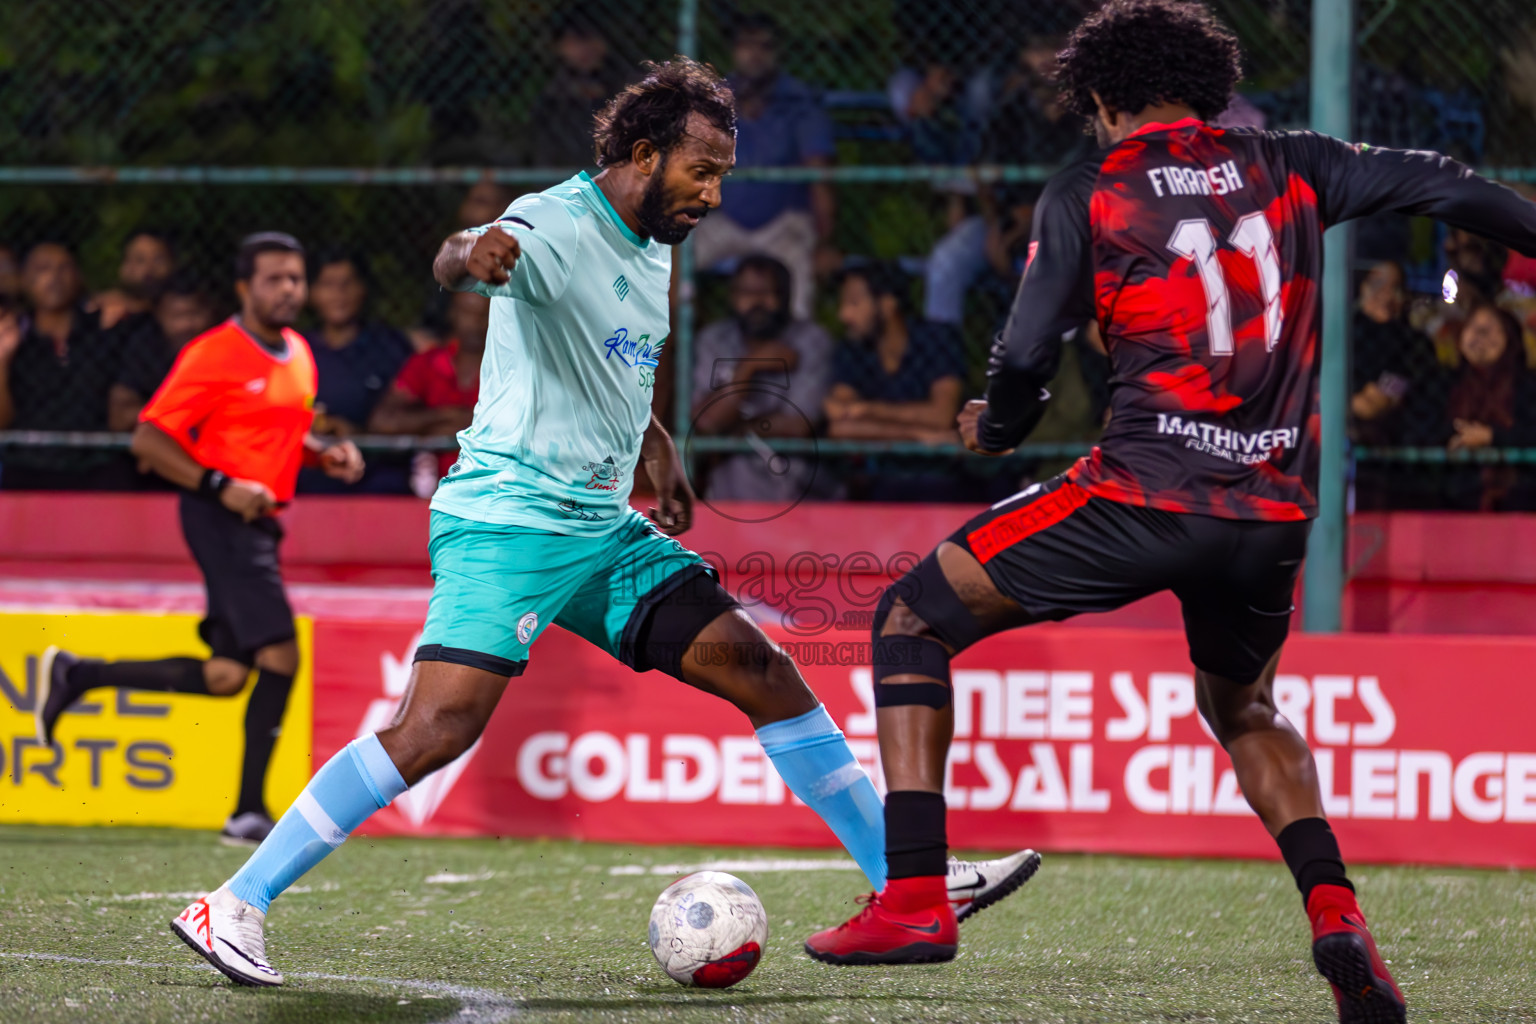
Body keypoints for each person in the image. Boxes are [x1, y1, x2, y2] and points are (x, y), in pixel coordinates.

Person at [174, 59, 1034, 989]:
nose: (714, 193)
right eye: (702, 171)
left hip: (599, 530)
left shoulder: (655, 241)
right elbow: (461, 249)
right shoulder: (557, 221)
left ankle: (908, 881)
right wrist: (473, 255)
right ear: (642, 153)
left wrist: (656, 451)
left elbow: (624, 374)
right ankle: (234, 903)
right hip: (508, 522)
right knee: (435, 727)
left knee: (767, 673)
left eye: (724, 175)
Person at [804, 7, 1536, 1024]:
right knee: (1245, 709)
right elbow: (1450, 185)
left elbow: (1022, 357)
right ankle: (1337, 917)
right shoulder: (1296, 162)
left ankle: (919, 896)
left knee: (910, 618)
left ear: (1101, 98)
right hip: (1276, 511)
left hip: (1144, 493)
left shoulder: (1090, 189)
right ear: (1209, 86)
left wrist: (998, 429)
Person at [34, 232, 366, 846]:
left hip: (258, 522)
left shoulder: (298, 352)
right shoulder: (213, 353)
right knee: (282, 656)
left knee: (225, 675)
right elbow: (148, 440)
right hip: (220, 518)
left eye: (296, 278)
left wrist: (327, 457)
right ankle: (247, 812)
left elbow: (278, 436)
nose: (288, 289)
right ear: (244, 287)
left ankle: (81, 675)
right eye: (274, 278)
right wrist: (219, 486)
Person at [692, 14, 837, 319]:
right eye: (746, 45)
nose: (754, 54)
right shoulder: (716, 98)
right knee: (667, 258)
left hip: (784, 225)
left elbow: (819, 177)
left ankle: (797, 358)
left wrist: (825, 242)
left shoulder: (798, 101)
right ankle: (669, 353)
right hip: (725, 221)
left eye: (764, 47)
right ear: (734, 51)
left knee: (798, 277)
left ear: (776, 54)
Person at [690, 254, 833, 503]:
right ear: (732, 297)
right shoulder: (714, 339)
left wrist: (732, 433)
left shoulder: (810, 339)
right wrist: (748, 368)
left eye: (767, 292)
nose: (757, 302)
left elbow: (798, 425)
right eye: (746, 293)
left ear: (785, 297)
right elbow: (706, 421)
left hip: (797, 482)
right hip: (729, 486)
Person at [0, 241, 132, 490]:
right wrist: (2, 361)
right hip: (28, 465)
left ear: (79, 277)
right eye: (43, 269)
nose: (54, 277)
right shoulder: (13, 334)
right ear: (24, 280)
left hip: (98, 463)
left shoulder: (106, 328)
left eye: (64, 268)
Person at [298, 251, 414, 494]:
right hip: (310, 482)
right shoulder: (296, 350)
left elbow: (411, 414)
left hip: (379, 481)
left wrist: (360, 434)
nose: (339, 294)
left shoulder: (390, 347)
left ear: (363, 289)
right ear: (311, 293)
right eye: (327, 285)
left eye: (347, 283)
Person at [1408, 302, 1536, 510]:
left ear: (1510, 339)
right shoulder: (1441, 383)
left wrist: (1492, 437)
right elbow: (1416, 430)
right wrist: (1455, 438)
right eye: (1473, 327)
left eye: (1492, 328)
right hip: (1449, 496)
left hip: (1520, 497)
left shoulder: (1527, 387)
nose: (1481, 334)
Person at [369, 289, 487, 496]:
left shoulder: (510, 367)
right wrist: (444, 416)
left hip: (494, 494)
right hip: (432, 497)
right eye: (467, 312)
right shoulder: (427, 364)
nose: (476, 322)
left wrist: (447, 430)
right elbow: (382, 422)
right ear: (452, 313)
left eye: (485, 313)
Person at [108, 270, 220, 432]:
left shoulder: (229, 345)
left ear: (211, 313)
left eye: (194, 314)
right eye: (176, 316)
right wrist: (180, 413)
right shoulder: (146, 348)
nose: (186, 325)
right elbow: (120, 416)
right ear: (160, 316)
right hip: (164, 441)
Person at [530, 6, 630, 168]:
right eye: (572, 42)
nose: (583, 49)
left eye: (589, 38)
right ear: (558, 47)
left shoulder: (626, 83)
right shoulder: (552, 96)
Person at [89, 228, 177, 330]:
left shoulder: (188, 310)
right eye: (139, 260)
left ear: (172, 264)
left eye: (158, 260)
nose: (149, 269)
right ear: (123, 267)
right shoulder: (100, 309)